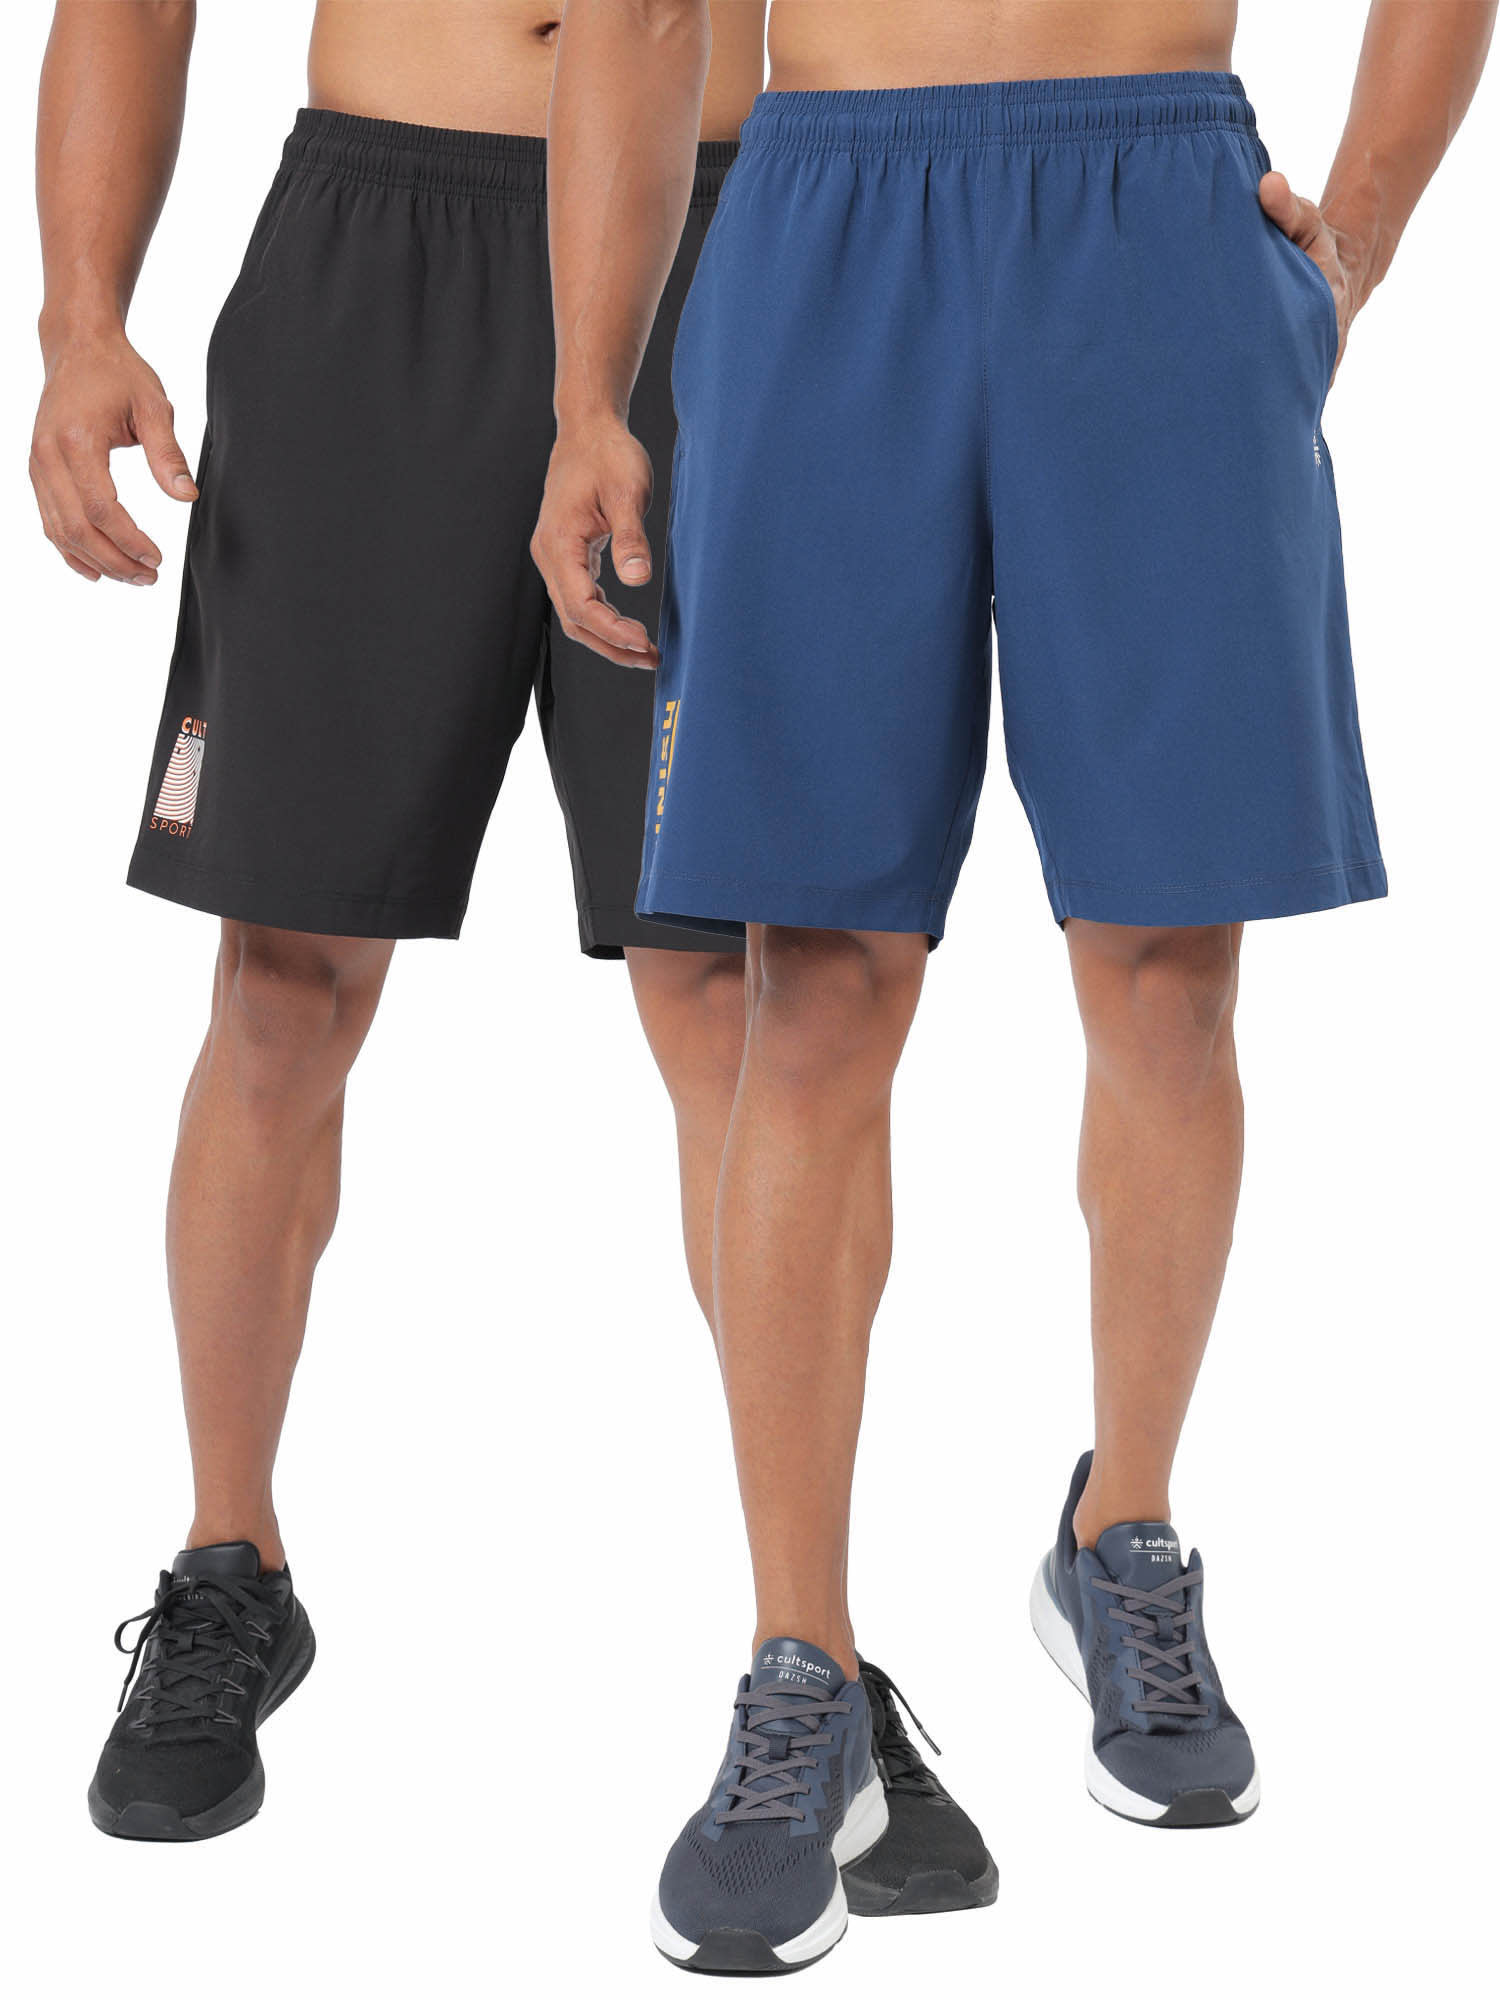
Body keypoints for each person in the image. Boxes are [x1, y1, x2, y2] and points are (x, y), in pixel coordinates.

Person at [532, 0, 1496, 1973]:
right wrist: (586, 397)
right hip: (825, 225)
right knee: (811, 987)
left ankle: (1121, 1531)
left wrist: (1356, 245)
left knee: (1166, 972)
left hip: (1158, 214)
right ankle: (800, 1669)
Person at [28, 0, 996, 1902]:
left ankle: (809, 1658)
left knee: (741, 994)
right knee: (283, 980)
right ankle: (229, 1568)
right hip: (382, 247)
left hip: (726, 243)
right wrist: (80, 317)